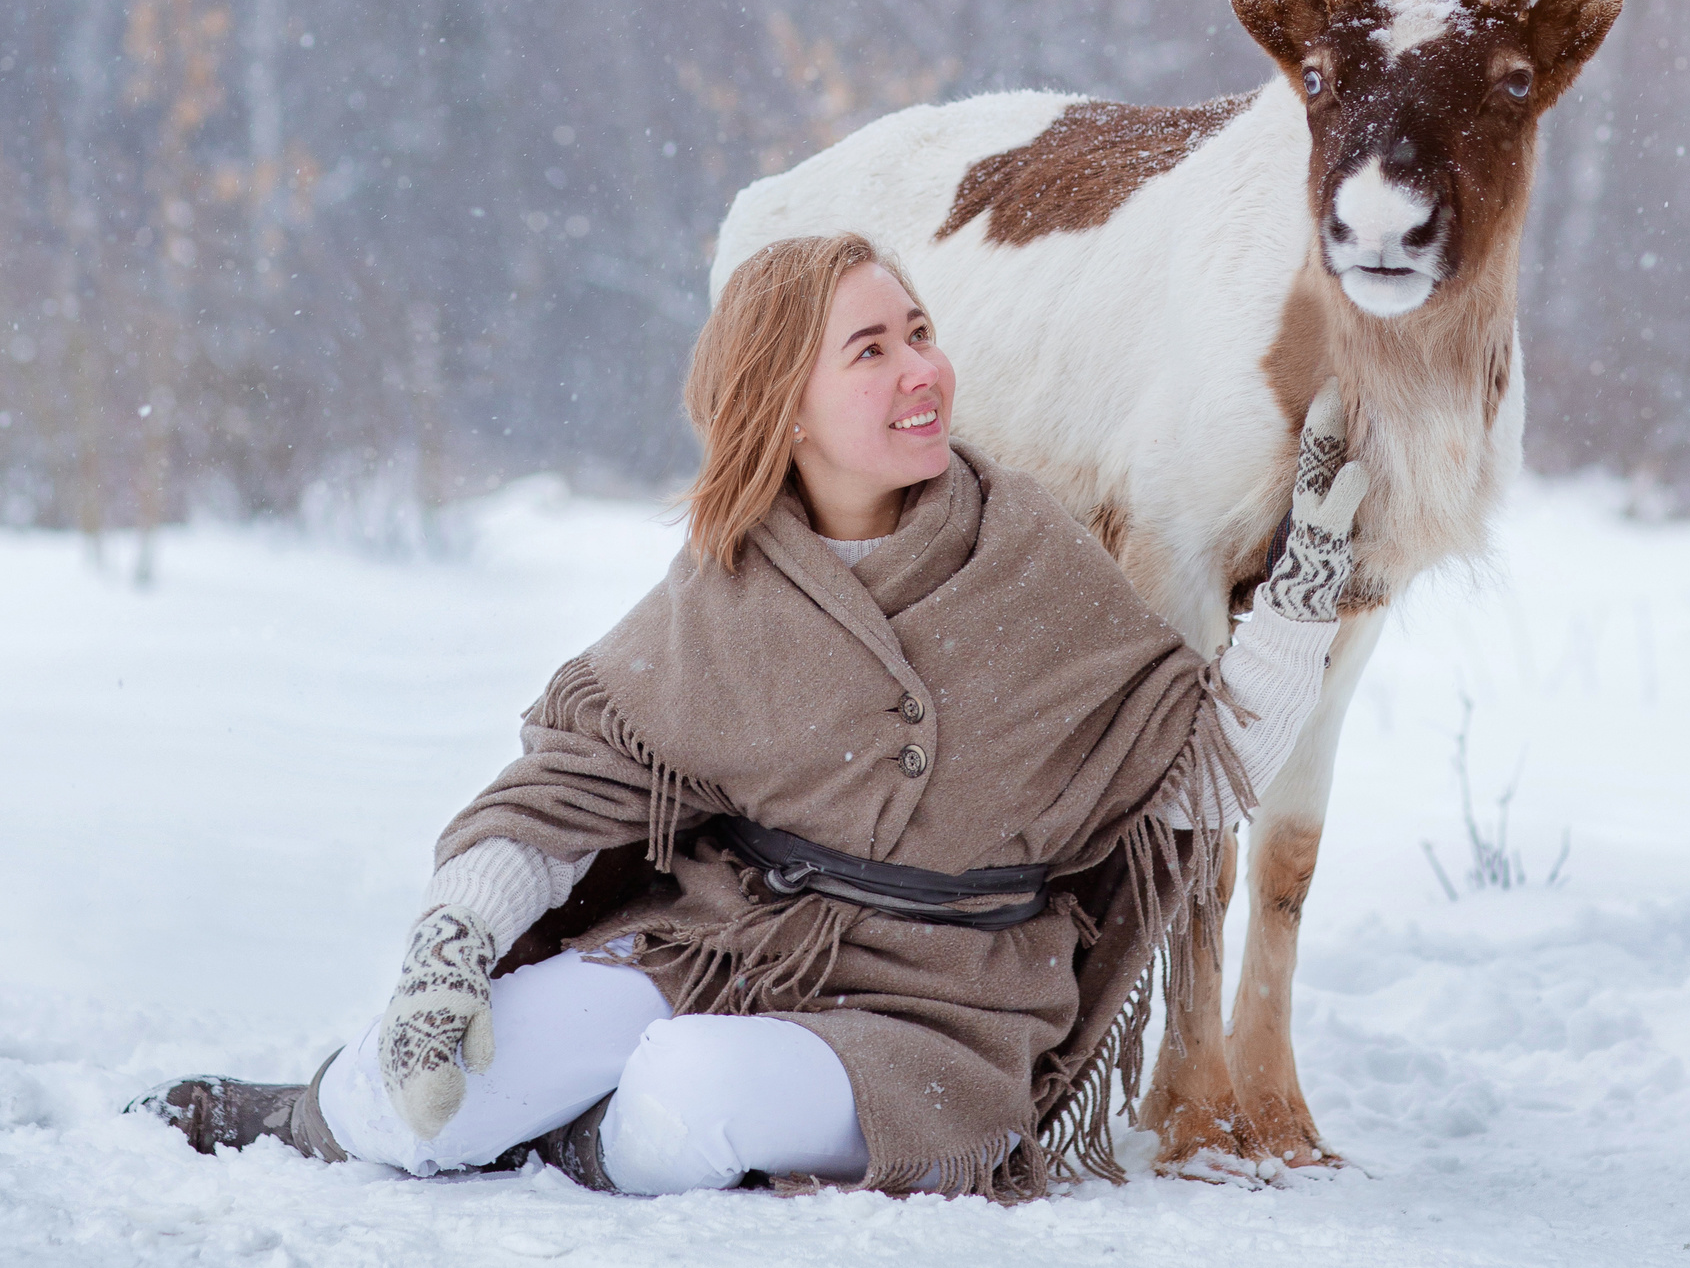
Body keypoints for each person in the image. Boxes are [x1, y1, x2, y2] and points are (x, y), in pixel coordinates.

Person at [136, 232, 1367, 1201]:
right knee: (422, 1095)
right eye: (871, 349)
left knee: (685, 1097)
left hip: (943, 1010)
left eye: (921, 333)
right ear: (784, 404)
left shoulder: (1026, 552)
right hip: (725, 942)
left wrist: (1305, 592)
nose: (922, 369)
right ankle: (315, 1113)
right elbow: (576, 785)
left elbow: (1191, 776)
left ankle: (575, 1147)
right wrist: (448, 946)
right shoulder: (733, 581)